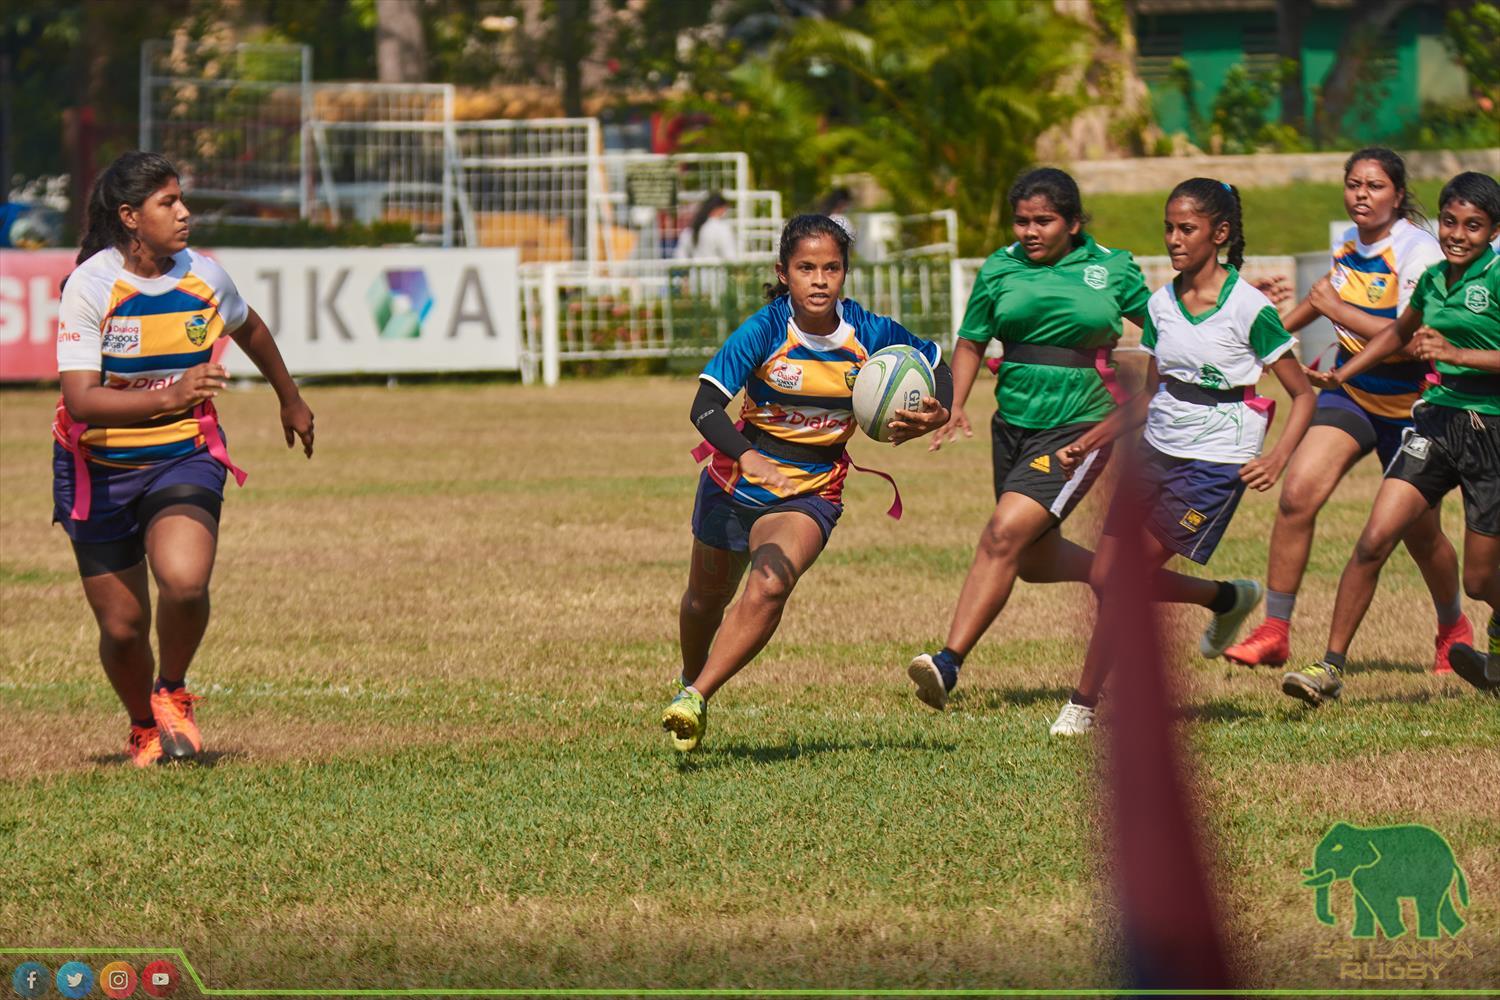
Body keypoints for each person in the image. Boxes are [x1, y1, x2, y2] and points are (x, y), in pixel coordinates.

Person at [905, 168, 1263, 713]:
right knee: (1031, 559)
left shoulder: (1110, 268)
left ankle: (948, 662)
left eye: (1044, 221)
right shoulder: (999, 269)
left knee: (1003, 535)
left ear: (1073, 222)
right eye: (1022, 221)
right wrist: (952, 404)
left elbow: (1175, 326)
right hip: (1013, 424)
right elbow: (972, 340)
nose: (1030, 231)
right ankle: (1223, 597)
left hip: (1081, 426)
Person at [52, 151, 314, 767]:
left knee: (186, 583)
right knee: (121, 628)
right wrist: (171, 393)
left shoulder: (204, 274)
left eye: (181, 199)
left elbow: (248, 327)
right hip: (99, 471)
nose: (184, 213)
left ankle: (172, 690)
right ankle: (142, 724)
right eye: (167, 202)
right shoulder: (91, 287)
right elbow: (80, 401)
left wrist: (290, 397)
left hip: (183, 455)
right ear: (130, 217)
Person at [661, 214, 954, 751]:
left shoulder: (871, 333)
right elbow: (704, 408)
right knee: (705, 601)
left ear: (845, 273)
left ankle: (696, 697)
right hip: (734, 482)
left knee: (771, 583)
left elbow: (939, 362)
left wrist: (939, 412)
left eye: (831, 268)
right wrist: (747, 456)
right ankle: (689, 675)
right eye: (806, 268)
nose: (819, 279)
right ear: (784, 272)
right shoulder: (766, 329)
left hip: (811, 488)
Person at [1048, 179, 1315, 735]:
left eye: (1186, 229)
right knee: (1105, 574)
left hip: (1215, 464)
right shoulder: (1160, 304)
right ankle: (1226, 598)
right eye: (1168, 228)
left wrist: (1279, 456)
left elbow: (1304, 393)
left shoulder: (1249, 309)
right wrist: (1087, 442)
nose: (1173, 239)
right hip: (1155, 450)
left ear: (1219, 234)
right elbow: (1151, 393)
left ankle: (1083, 704)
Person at [1225, 148, 1468, 673]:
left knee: (1420, 535)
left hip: (1412, 405)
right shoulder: (1350, 242)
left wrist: (1335, 309)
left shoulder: (1418, 251)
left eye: (1375, 186)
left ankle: (1453, 626)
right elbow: (1321, 298)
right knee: (1297, 495)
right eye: (1353, 184)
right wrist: (1267, 341)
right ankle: (1275, 629)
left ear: (1398, 196)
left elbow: (1409, 342)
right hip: (1351, 392)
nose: (1361, 194)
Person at [1281, 172, 1500, 705]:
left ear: (1493, 231)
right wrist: (1344, 373)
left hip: (1491, 430)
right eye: (1449, 221)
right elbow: (1400, 334)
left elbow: (1460, 351)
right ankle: (1328, 667)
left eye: (1473, 226)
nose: (1457, 234)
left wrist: (1457, 355)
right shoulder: (1433, 279)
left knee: (1479, 581)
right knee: (1375, 538)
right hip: (1437, 420)